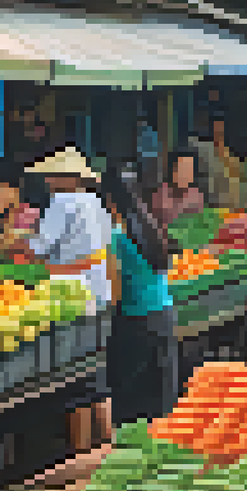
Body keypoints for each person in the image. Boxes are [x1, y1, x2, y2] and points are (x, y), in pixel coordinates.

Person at [102, 161, 179, 429]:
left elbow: (115, 293)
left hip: (136, 322)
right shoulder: (152, 228)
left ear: (109, 201)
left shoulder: (116, 236)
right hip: (164, 317)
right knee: (161, 398)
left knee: (131, 404)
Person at [24, 147, 113, 313]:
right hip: (99, 285)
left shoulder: (62, 201)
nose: (49, 181)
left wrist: (11, 242)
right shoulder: (95, 200)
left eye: (53, 176)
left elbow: (38, 247)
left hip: (70, 290)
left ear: (72, 178)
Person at [149, 149, 207, 234]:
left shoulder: (196, 196)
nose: (184, 174)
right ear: (172, 170)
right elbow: (151, 225)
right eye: (180, 169)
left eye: (188, 169)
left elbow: (198, 228)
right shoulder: (160, 194)